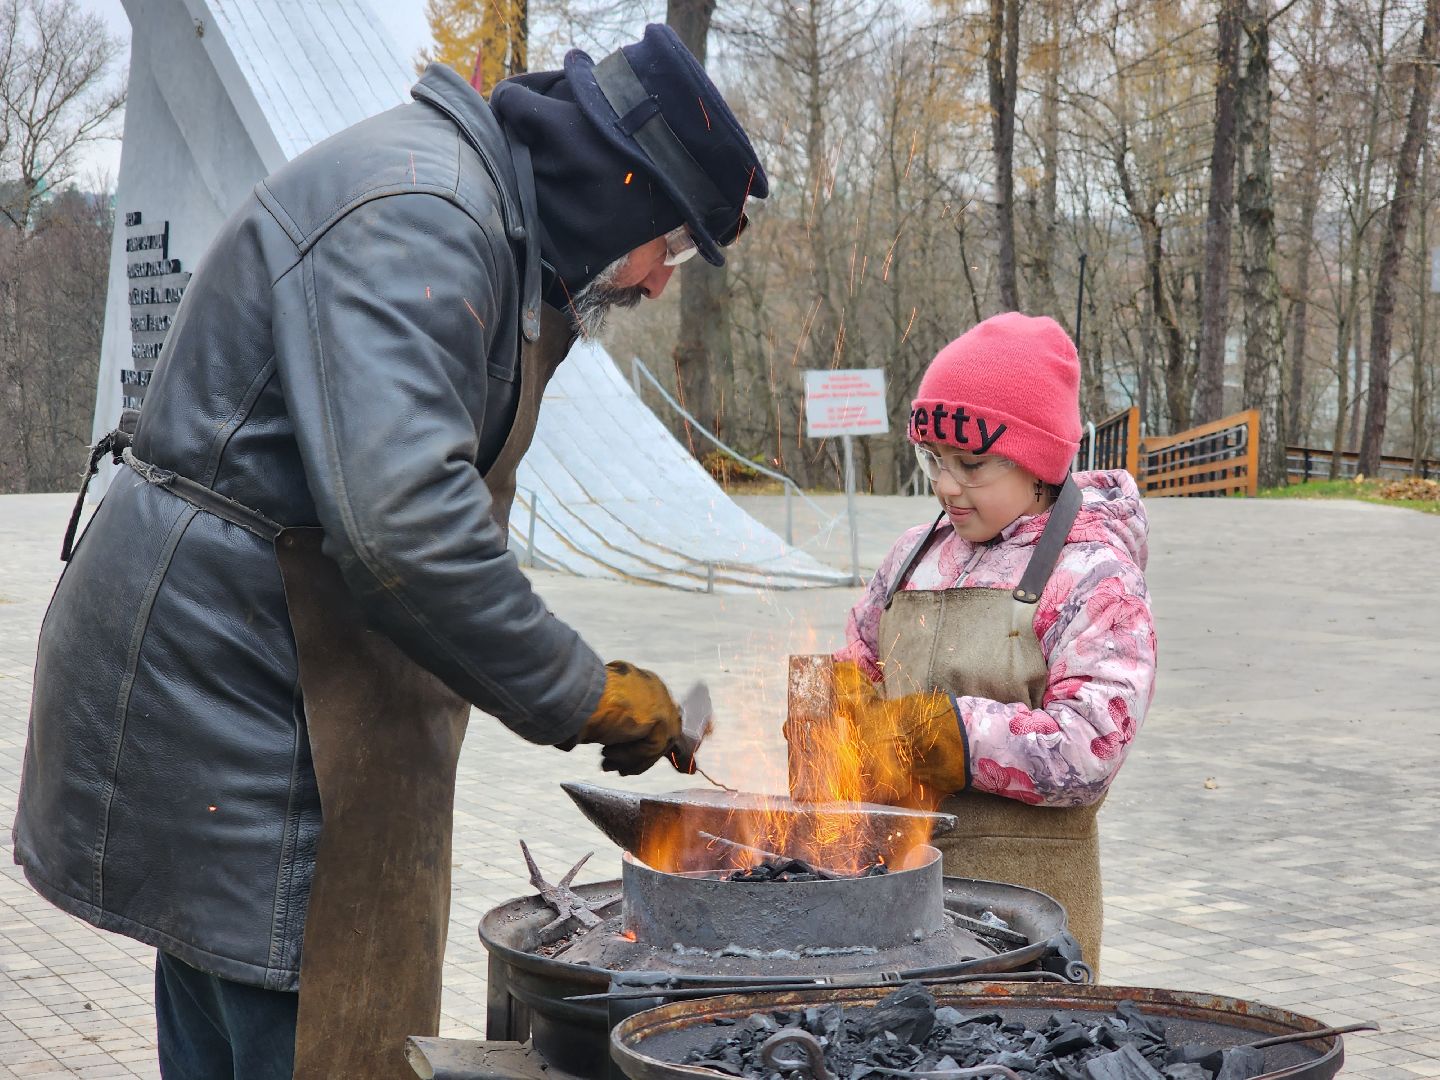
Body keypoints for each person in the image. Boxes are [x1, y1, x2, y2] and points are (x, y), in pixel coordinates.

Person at [12, 25, 766, 1080]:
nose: (656, 282)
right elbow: (406, 525)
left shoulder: (478, 219)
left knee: (237, 998)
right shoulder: (424, 215)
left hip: (268, 672)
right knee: (281, 1017)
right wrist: (584, 693)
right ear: (621, 193)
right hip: (236, 682)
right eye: (671, 245)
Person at [831, 312, 1156, 970]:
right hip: (894, 907)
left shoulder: (1094, 578)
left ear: (1036, 463)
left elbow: (1090, 747)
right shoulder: (909, 558)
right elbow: (859, 663)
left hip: (1027, 924)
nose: (945, 484)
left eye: (970, 464)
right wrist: (834, 707)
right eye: (933, 461)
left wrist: (951, 734)